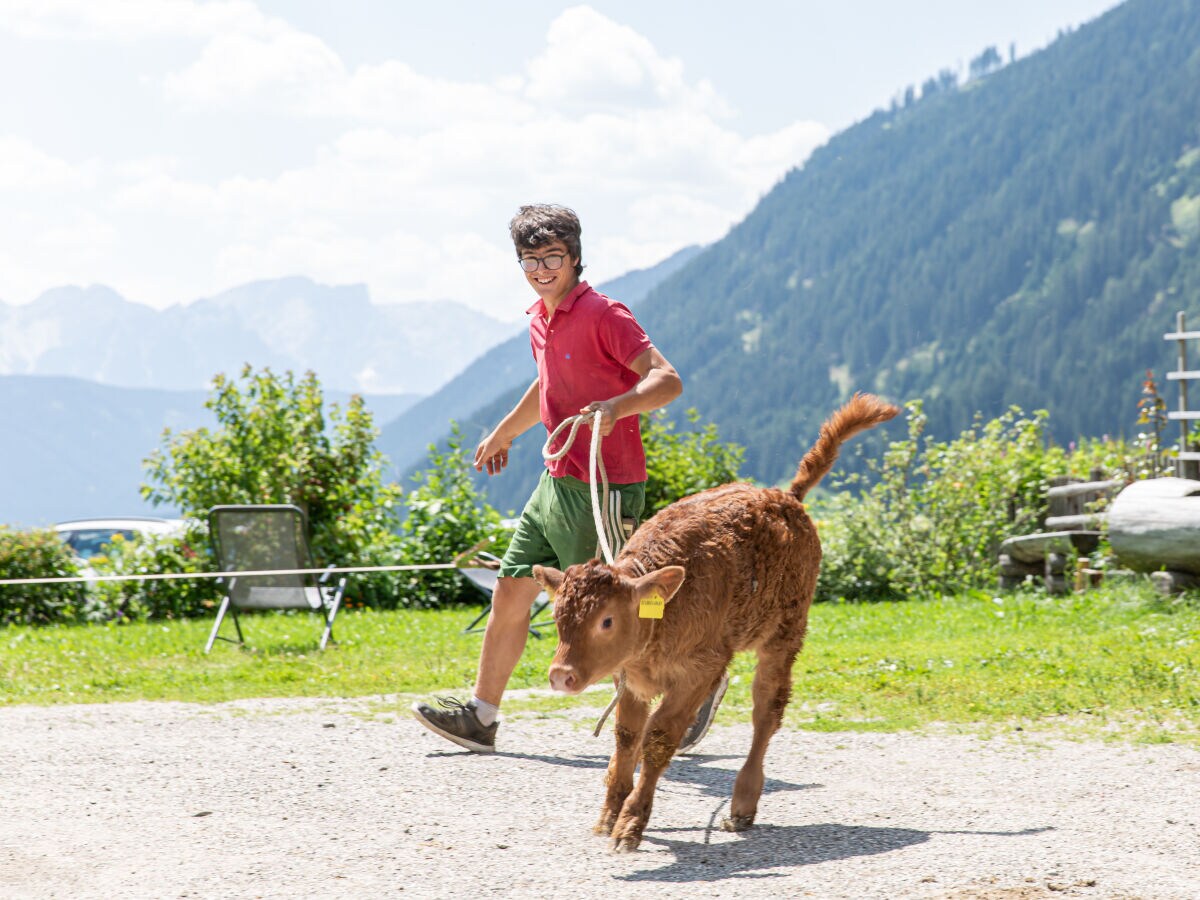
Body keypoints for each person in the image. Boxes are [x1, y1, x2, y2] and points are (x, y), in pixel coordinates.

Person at [411, 203, 725, 754]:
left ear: (575, 257)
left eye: (552, 256)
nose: (541, 268)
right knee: (512, 588)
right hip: (555, 481)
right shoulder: (539, 317)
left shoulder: (606, 314)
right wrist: (506, 432)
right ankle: (482, 717)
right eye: (530, 259)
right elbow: (547, 384)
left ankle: (699, 682)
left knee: (618, 605)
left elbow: (667, 381)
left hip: (603, 487)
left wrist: (616, 408)